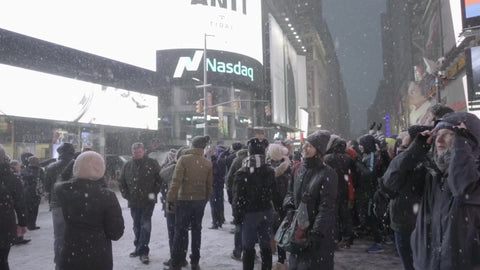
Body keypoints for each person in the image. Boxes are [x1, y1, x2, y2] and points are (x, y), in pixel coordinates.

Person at [383, 112, 480, 269]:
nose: (439, 140)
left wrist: (461, 146)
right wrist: (416, 149)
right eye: (437, 135)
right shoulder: (432, 172)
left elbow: (463, 189)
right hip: (428, 263)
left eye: (449, 134)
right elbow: (390, 182)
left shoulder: (474, 172)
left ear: (469, 139)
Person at [55, 151, 124, 270]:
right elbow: (115, 232)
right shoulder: (106, 196)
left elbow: (64, 176)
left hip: (71, 253)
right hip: (98, 255)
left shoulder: (63, 191)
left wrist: (79, 163)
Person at [283, 130, 338, 270]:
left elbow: (326, 207)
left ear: (318, 150)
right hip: (298, 229)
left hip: (316, 233)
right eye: (305, 144)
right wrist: (289, 208)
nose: (304, 148)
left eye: (309, 146)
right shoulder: (298, 168)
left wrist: (316, 232)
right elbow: (290, 192)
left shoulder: (327, 173)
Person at [381, 126, 428, 270]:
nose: (402, 138)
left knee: (412, 262)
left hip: (408, 219)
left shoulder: (413, 159)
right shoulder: (408, 157)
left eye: (407, 134)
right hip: (405, 217)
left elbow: (388, 183)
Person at [166, 136, 213, 270]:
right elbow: (209, 186)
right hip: (199, 201)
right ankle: (195, 262)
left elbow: (176, 182)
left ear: (192, 146)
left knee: (180, 232)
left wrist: (170, 198)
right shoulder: (207, 163)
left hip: (184, 201)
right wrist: (205, 200)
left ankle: (175, 264)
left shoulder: (184, 160)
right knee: (196, 231)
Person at [233, 137, 275, 270]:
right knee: (266, 245)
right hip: (266, 211)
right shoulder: (269, 170)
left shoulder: (242, 172)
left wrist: (237, 216)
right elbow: (274, 193)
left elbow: (238, 197)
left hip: (249, 214)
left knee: (248, 247)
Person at [119, 142, 162, 265]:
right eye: (135, 152)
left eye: (139, 152)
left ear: (144, 151)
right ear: (132, 152)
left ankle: (143, 251)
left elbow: (159, 180)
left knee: (145, 225)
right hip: (134, 201)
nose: (137, 154)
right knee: (136, 225)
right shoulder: (127, 165)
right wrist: (126, 195)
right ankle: (138, 247)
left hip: (148, 202)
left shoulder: (152, 163)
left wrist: (153, 193)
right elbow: (122, 181)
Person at [44, 142, 76, 269]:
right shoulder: (76, 165)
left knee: (59, 236)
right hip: (75, 204)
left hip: (57, 205)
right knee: (76, 233)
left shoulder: (51, 167)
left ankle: (59, 263)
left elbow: (47, 187)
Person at [159, 146, 189, 268]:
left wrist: (173, 162)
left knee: (173, 233)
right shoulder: (191, 166)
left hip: (173, 202)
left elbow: (162, 174)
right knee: (183, 232)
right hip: (186, 202)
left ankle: (175, 258)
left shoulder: (176, 167)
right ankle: (182, 258)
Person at [324, 135, 355, 248]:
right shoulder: (348, 159)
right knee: (345, 214)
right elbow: (353, 174)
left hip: (331, 189)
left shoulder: (327, 158)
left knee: (334, 215)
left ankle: (335, 238)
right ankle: (347, 238)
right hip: (345, 189)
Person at [0, 145, 27, 270]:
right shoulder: (12, 178)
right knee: (3, 260)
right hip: (5, 224)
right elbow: (20, 202)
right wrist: (22, 223)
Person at [267, 143, 291, 267]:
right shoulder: (287, 167)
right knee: (281, 232)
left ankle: (275, 259)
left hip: (273, 205)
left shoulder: (268, 168)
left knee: (273, 231)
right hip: (283, 205)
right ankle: (281, 260)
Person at [226, 144, 249, 261]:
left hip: (239, 197)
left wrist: (231, 195)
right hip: (253, 200)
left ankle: (238, 251)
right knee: (250, 226)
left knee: (239, 225)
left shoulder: (237, 160)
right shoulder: (259, 161)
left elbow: (229, 179)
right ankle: (250, 252)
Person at [20, 156, 45, 230]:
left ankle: (29, 224)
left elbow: (24, 178)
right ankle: (32, 224)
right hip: (36, 192)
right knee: (35, 209)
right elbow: (43, 180)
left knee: (29, 209)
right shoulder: (40, 170)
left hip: (27, 191)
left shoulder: (25, 169)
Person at [209, 145, 228, 229]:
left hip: (214, 185)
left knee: (214, 204)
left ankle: (215, 222)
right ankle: (220, 220)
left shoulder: (216, 161)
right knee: (220, 203)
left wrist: (212, 158)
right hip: (220, 185)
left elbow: (214, 171)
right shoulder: (223, 161)